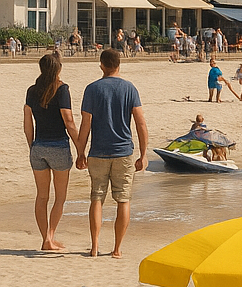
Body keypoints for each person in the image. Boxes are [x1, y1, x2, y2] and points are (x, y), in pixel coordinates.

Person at [77, 49, 148, 259]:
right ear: (119, 65)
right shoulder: (129, 88)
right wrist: (144, 154)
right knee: (123, 200)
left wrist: (81, 152)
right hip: (123, 151)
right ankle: (117, 249)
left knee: (97, 198)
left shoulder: (92, 89)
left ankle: (94, 247)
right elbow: (140, 123)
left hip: (98, 151)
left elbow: (86, 124)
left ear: (101, 65)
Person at [23, 53, 82, 251]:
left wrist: (32, 145)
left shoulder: (32, 91)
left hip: (38, 147)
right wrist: (80, 148)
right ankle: (50, 236)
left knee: (41, 196)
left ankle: (45, 239)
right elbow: (69, 120)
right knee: (60, 196)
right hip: (58, 146)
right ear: (58, 69)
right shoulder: (61, 89)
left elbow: (27, 123)